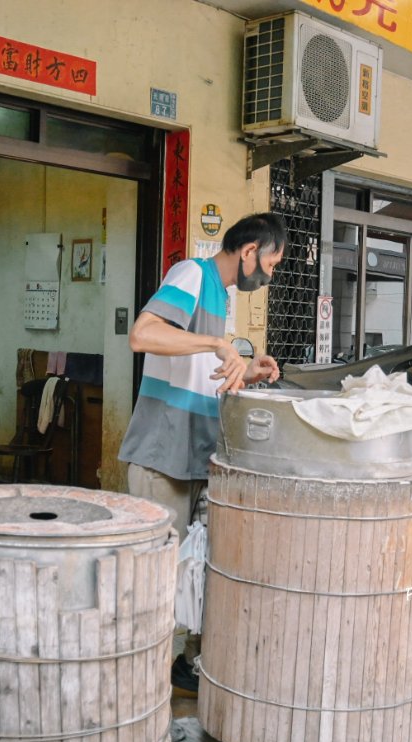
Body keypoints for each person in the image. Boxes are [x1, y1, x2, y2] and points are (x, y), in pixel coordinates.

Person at [118, 212, 286, 701]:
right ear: (250, 250)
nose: (270, 276)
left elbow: (196, 371)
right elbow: (143, 335)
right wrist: (218, 343)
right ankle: (138, 686)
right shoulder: (191, 274)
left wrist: (247, 372)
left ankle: (177, 667)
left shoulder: (222, 295)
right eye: (271, 264)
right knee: (155, 576)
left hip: (197, 454)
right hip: (162, 454)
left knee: (189, 571)